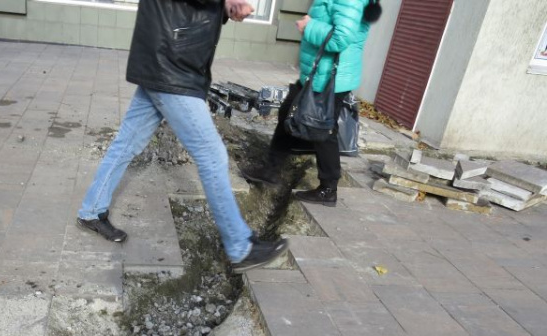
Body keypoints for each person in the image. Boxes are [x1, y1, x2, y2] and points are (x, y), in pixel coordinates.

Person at [76, 0, 288, 273]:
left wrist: (224, 9)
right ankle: (240, 248)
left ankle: (91, 211)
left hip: (164, 57)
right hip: (173, 66)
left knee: (126, 143)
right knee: (212, 157)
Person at [241, 0, 382, 206]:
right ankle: (271, 171)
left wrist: (310, 26)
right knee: (290, 113)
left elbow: (341, 37)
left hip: (328, 77)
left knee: (322, 129)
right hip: (319, 73)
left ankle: (328, 188)